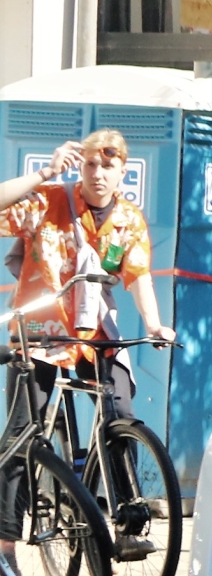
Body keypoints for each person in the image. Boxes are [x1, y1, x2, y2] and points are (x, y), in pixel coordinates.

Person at [0, 131, 175, 548]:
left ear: (122, 172)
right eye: (91, 165)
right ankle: (6, 547)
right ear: (81, 168)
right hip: (40, 335)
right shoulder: (49, 201)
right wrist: (45, 172)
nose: (98, 174)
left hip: (94, 334)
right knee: (25, 433)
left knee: (120, 413)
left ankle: (127, 524)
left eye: (108, 166)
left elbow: (139, 276)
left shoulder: (129, 220)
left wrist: (154, 325)